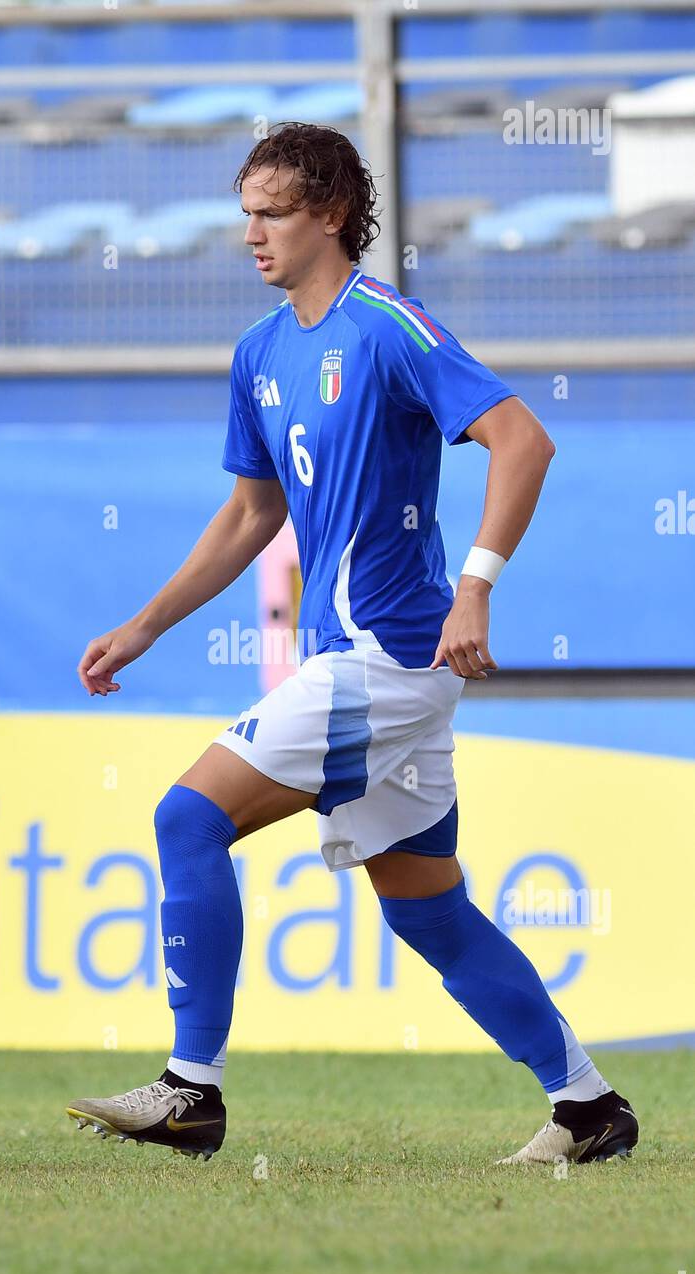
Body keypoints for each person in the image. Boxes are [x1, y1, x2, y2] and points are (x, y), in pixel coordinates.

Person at [68, 122, 638, 1166]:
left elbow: (522, 437)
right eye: (242, 212)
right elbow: (250, 516)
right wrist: (143, 627)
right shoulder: (258, 351)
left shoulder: (387, 327)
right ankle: (588, 1107)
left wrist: (475, 589)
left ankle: (192, 1089)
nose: (250, 233)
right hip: (364, 666)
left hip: (383, 659)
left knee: (186, 816)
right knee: (429, 911)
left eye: (270, 211)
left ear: (330, 211)